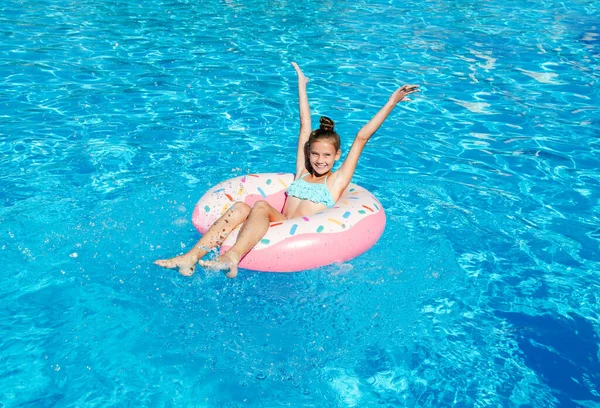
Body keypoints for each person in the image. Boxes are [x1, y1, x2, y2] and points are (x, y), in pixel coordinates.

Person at [154, 62, 419, 278]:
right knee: (240, 208)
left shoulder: (337, 181)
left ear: (337, 156)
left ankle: (231, 257)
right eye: (314, 153)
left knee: (257, 206)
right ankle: (191, 257)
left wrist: (392, 101)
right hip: (277, 222)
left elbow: (362, 137)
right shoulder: (303, 172)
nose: (319, 160)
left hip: (299, 232)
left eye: (326, 155)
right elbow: (305, 125)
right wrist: (302, 86)